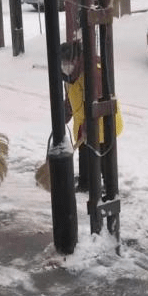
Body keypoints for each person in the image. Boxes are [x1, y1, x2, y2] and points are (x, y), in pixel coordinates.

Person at [60, 40, 122, 193]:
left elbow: (99, 100)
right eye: (62, 63)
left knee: (104, 160)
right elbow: (70, 100)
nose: (65, 66)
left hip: (102, 125)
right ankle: (85, 183)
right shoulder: (69, 77)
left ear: (76, 59)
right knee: (84, 156)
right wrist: (62, 117)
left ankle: (110, 191)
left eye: (68, 62)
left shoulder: (94, 72)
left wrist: (89, 125)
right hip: (83, 126)